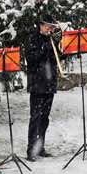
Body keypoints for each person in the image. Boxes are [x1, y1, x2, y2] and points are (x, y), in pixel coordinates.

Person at [25, 14, 62, 161]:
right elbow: (31, 58)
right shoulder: (32, 38)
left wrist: (61, 48)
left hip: (49, 83)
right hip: (37, 83)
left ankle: (40, 147)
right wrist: (45, 47)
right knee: (35, 118)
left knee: (45, 118)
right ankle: (31, 150)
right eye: (48, 26)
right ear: (40, 25)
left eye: (52, 27)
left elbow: (57, 58)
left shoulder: (51, 39)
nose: (50, 29)